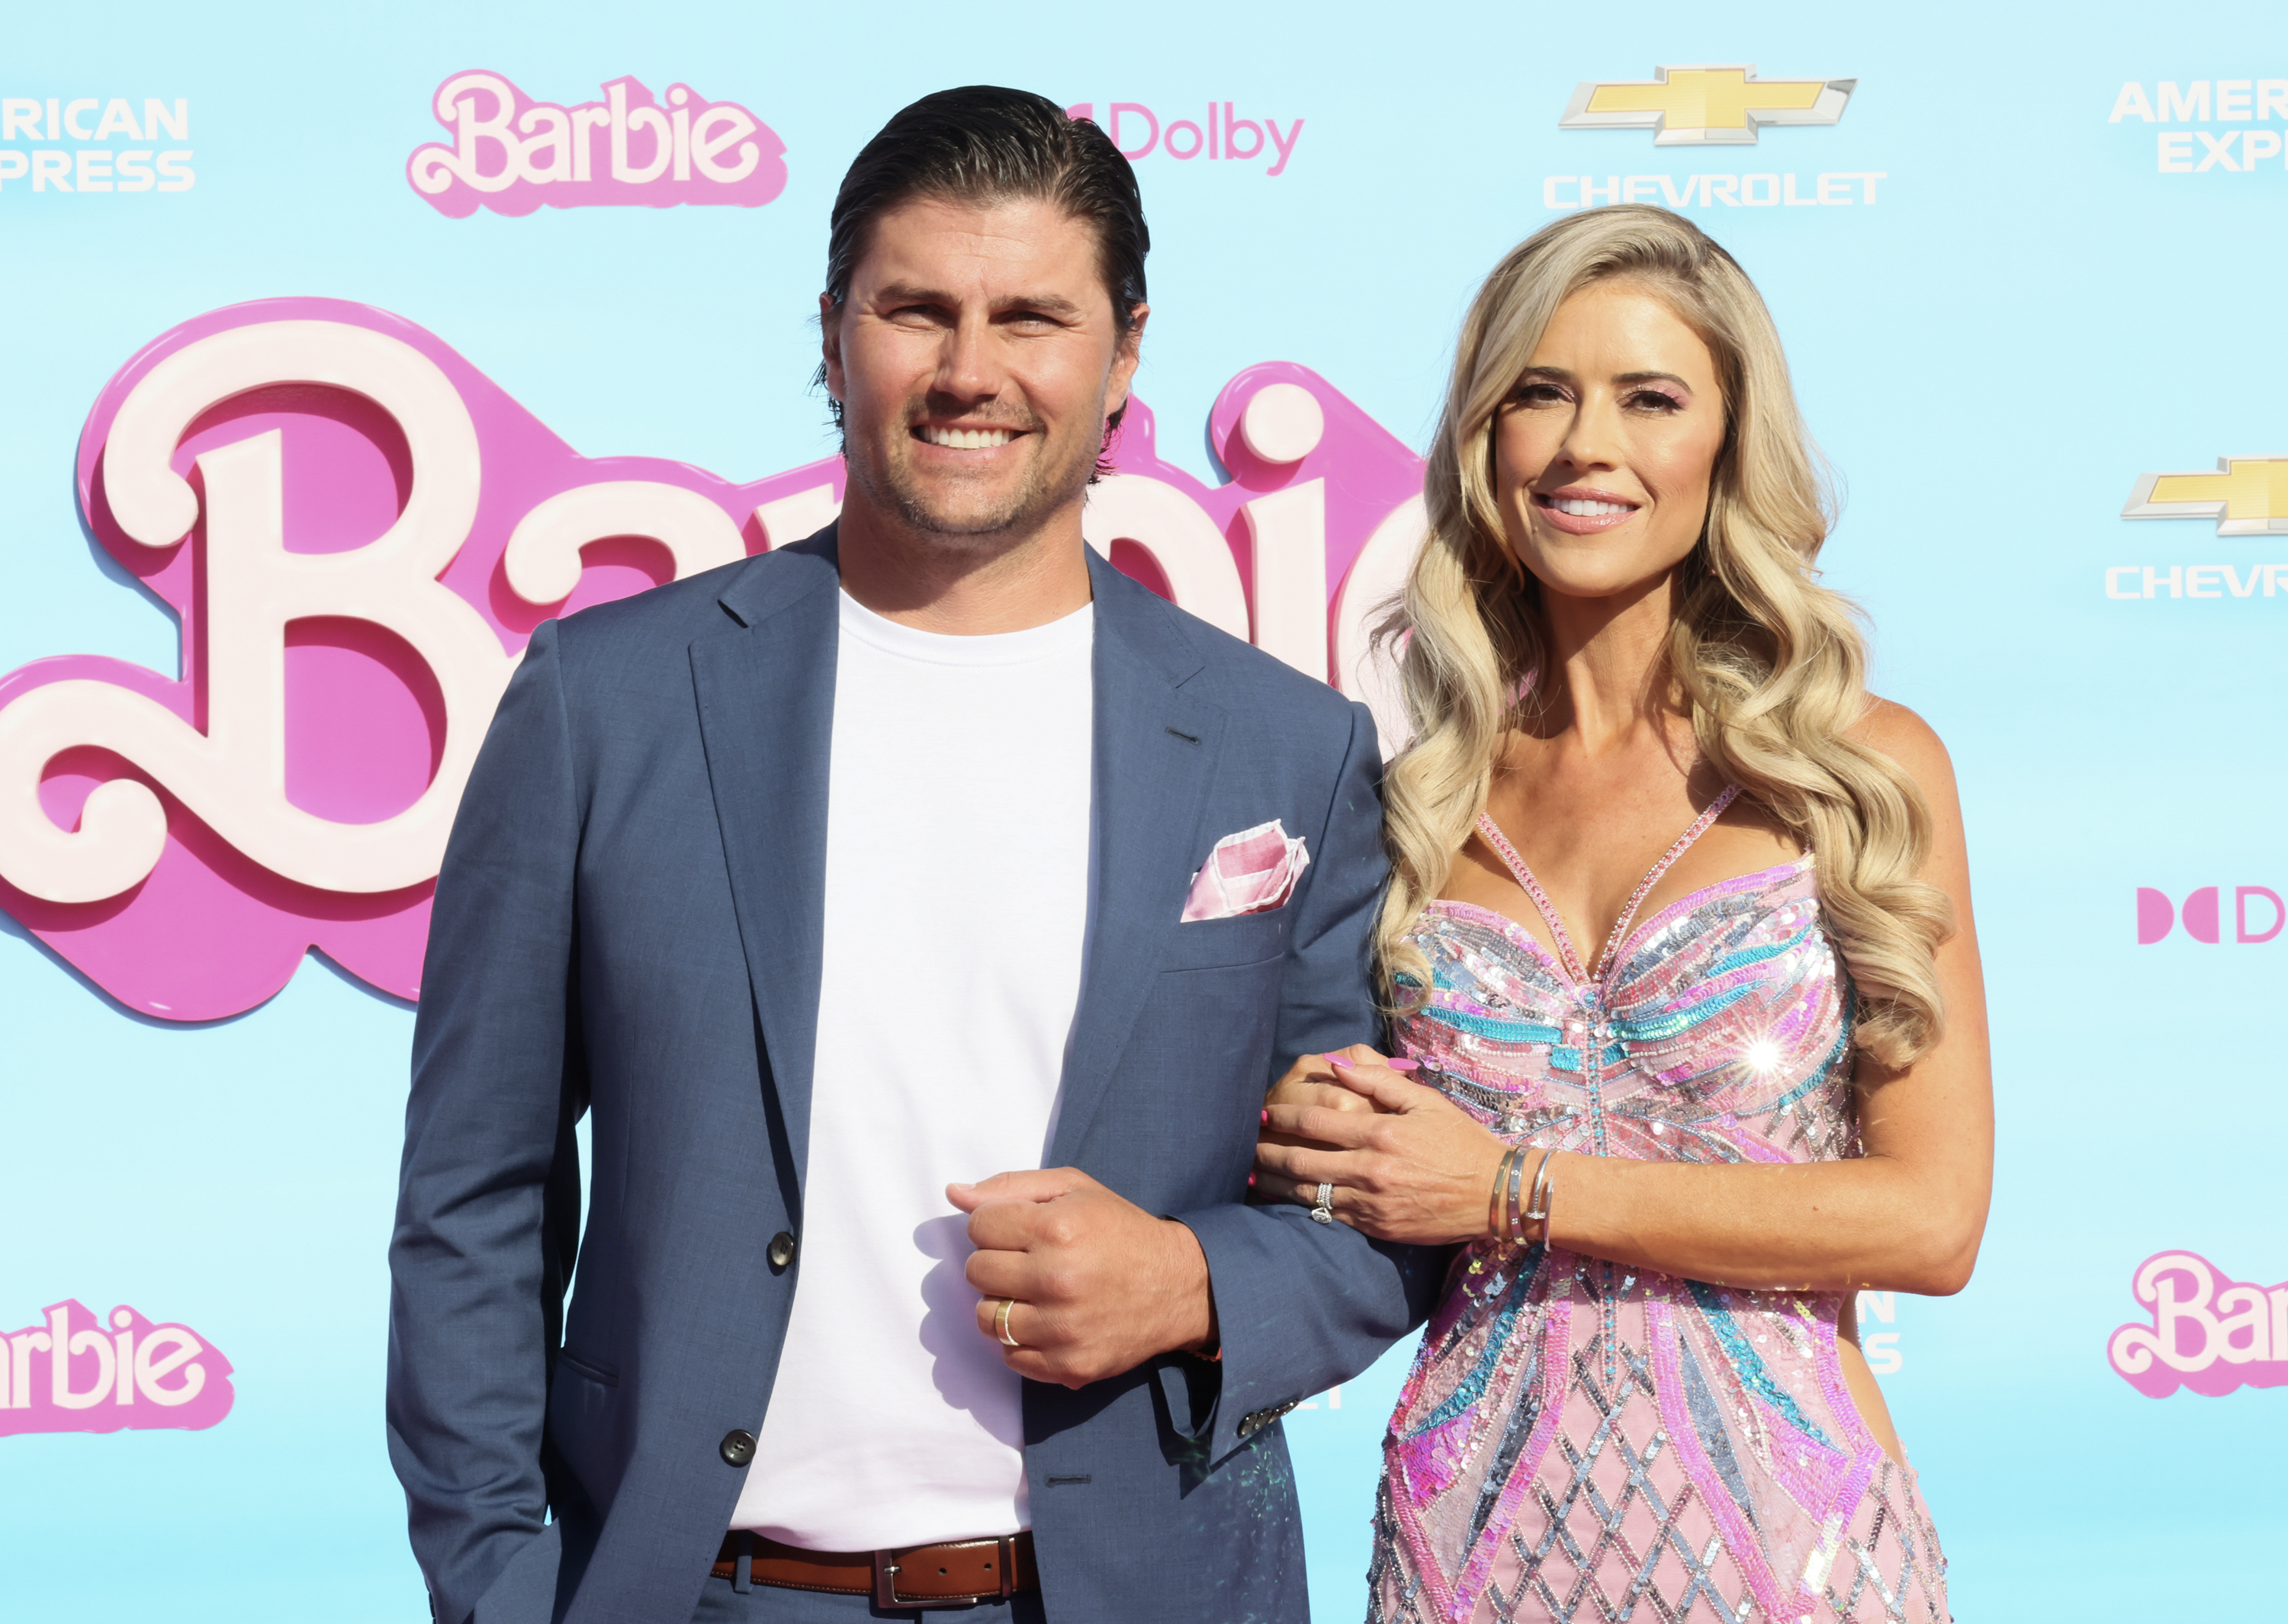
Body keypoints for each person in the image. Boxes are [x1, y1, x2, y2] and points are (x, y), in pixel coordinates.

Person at [388, 86, 1439, 1624]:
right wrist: (500, 1584)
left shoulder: (1288, 748)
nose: (969, 372)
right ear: (831, 336)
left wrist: (1195, 1286)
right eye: (915, 310)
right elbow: (475, 1195)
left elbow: (1374, 1210)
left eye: (1031, 316)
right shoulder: (606, 703)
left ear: (1125, 352)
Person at [1252, 206, 1992, 1623]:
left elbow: (1932, 1218)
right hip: (1473, 1539)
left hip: (1795, 1545)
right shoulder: (1408, 807)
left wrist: (1513, 1189)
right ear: (1488, 442)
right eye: (1542, 390)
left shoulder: (1859, 769)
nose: (1588, 442)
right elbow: (1342, 1163)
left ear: (1725, 444)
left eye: (1650, 398)